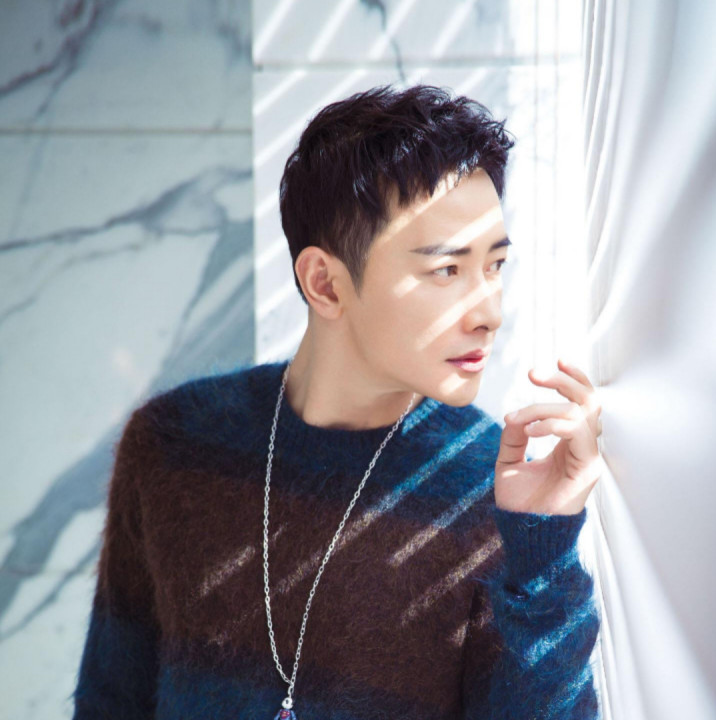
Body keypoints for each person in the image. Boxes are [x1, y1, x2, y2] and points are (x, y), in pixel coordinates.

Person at [71, 84, 603, 720]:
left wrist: (543, 550)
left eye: (494, 266)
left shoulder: (489, 488)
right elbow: (110, 701)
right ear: (324, 283)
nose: (489, 312)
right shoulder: (174, 446)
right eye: (447, 270)